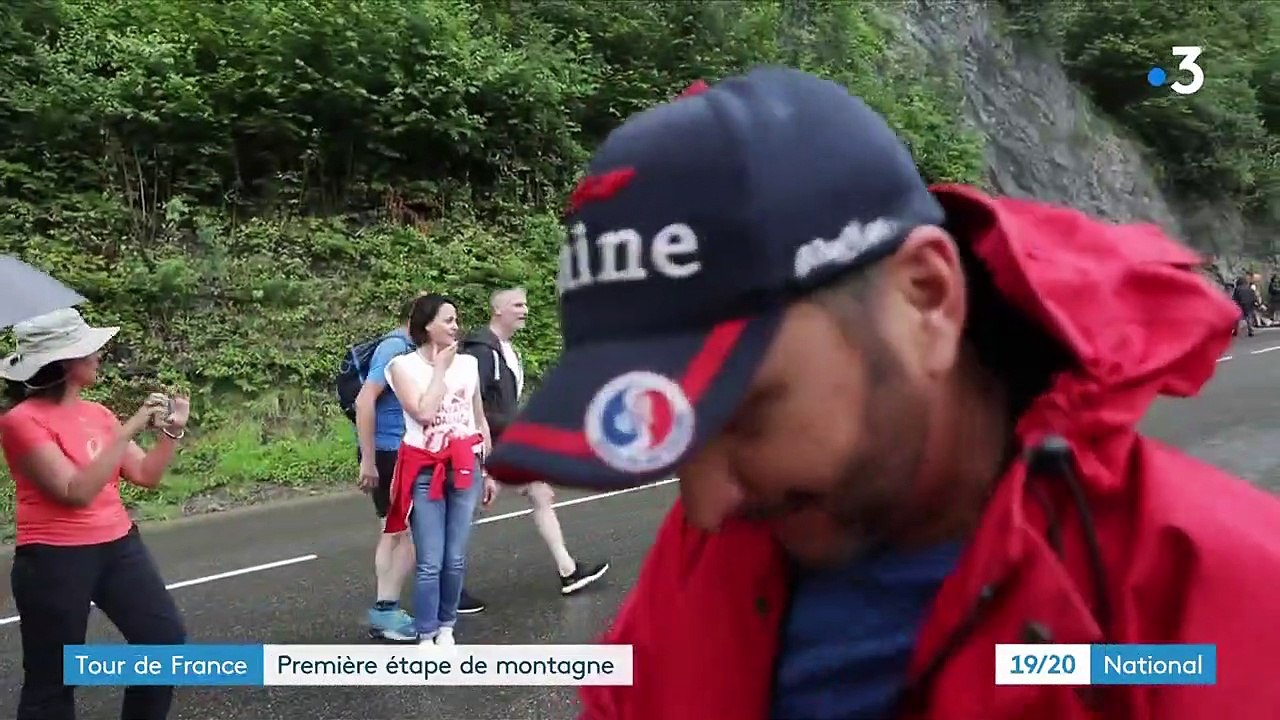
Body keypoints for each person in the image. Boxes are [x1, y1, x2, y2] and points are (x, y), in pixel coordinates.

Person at [485, 68, 1280, 719]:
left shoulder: (1221, 603)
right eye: (680, 430)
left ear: (927, 300)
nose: (703, 504)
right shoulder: (703, 564)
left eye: (748, 411)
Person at [0, 308, 189, 720]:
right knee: (53, 681)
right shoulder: (20, 421)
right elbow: (76, 491)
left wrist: (170, 432)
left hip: (119, 546)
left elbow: (145, 474)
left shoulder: (98, 413)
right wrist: (128, 429)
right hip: (53, 558)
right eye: (90, 350)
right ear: (66, 362)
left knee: (164, 642)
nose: (99, 356)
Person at [461, 287, 610, 595]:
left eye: (525, 304)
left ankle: (567, 570)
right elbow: (472, 405)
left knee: (540, 494)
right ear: (497, 309)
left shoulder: (506, 349)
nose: (524, 310)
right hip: (484, 445)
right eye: (517, 305)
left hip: (506, 444)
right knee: (461, 514)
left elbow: (505, 404)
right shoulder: (481, 351)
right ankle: (443, 585)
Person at [382, 293, 497, 645]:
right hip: (425, 469)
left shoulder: (469, 365)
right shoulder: (402, 367)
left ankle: (446, 626)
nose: (455, 326)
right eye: (448, 320)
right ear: (427, 325)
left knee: (455, 557)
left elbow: (477, 418)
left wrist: (487, 469)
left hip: (465, 465)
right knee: (430, 560)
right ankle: (425, 632)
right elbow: (424, 413)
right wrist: (441, 370)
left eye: (456, 319)